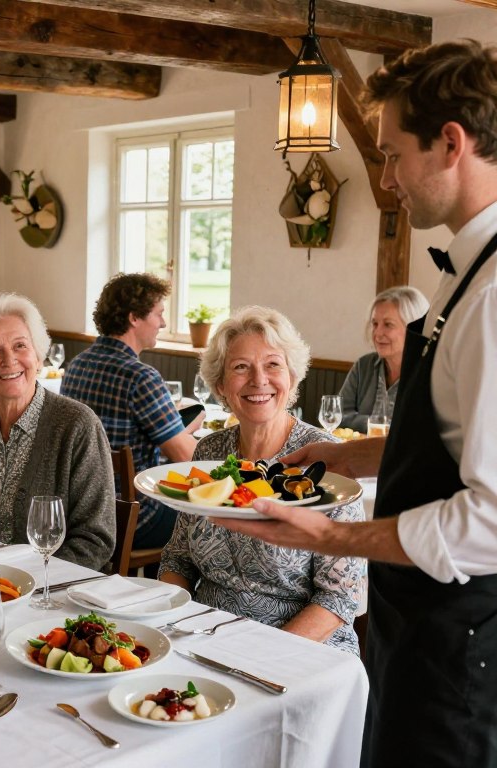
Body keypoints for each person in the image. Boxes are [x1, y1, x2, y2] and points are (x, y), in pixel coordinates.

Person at [216, 40, 497, 768]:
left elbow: (490, 519)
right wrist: (350, 455)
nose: (385, 176)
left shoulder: (494, 297)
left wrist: (332, 538)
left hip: (463, 650)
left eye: (392, 153)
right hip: (419, 635)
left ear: (451, 144)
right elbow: (452, 439)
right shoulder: (465, 272)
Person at [159, 307, 364, 654]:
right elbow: (178, 559)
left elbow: (339, 597)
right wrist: (171, 621)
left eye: (273, 364)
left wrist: (264, 655)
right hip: (207, 633)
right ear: (221, 385)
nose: (259, 380)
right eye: (241, 367)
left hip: (302, 644)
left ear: (293, 377)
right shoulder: (209, 452)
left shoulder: (327, 461)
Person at [0, 293, 115, 571]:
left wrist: (24, 580)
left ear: (38, 358)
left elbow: (95, 540)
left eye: (20, 346)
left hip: (42, 590)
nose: (9, 360)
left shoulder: (77, 425)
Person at [62, 272, 200, 552]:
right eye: (159, 314)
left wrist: (178, 429)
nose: (162, 322)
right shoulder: (141, 378)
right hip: (131, 518)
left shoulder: (77, 365)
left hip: (79, 511)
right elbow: (188, 457)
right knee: (206, 517)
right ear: (134, 318)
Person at [338, 285, 429, 432]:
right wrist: (380, 425)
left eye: (388, 325)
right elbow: (338, 416)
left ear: (414, 328)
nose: (378, 333)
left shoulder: (428, 373)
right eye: (375, 324)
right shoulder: (363, 366)